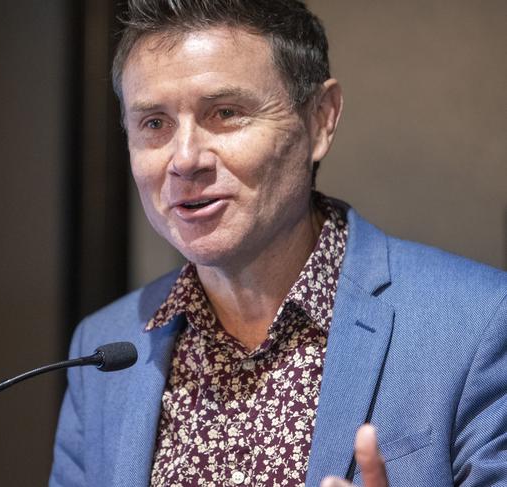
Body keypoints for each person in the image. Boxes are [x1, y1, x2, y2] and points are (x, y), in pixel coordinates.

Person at [49, 1, 507, 486]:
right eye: (154, 123)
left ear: (320, 121)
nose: (184, 160)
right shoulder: (102, 348)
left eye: (225, 112)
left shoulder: (478, 325)